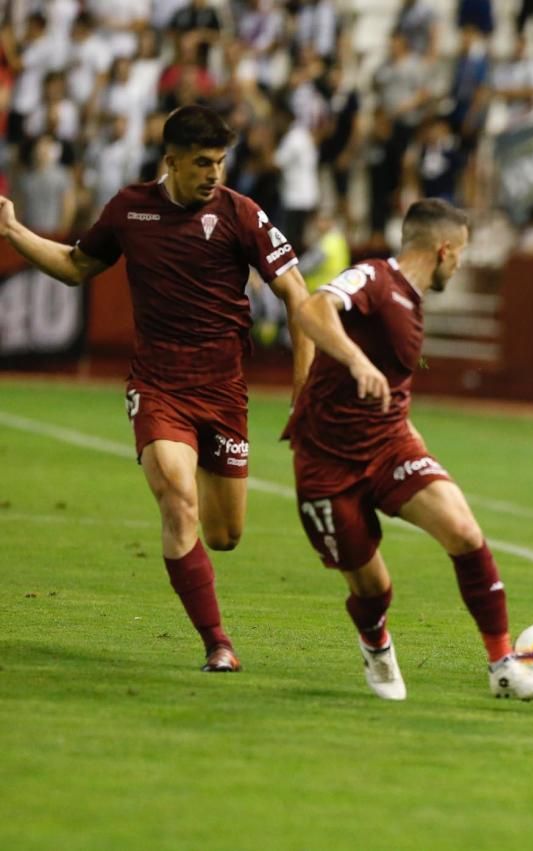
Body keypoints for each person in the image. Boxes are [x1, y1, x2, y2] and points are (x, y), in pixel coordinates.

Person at [0, 105, 314, 672]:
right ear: (170, 162)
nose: (213, 174)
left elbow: (297, 295)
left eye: (219, 162)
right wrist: (14, 231)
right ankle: (218, 642)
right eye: (201, 163)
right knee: (177, 496)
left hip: (223, 392)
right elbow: (76, 267)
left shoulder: (242, 214)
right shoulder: (129, 209)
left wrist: (305, 390)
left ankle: (201, 545)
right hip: (158, 386)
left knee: (224, 535)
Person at [284, 198, 533, 702]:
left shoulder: (411, 300)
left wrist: (411, 438)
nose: (461, 264)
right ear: (444, 249)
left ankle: (502, 665)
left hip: (389, 446)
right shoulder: (374, 278)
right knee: (372, 589)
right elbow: (312, 308)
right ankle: (377, 647)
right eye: (462, 254)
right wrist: (356, 361)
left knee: (465, 533)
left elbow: (395, 382)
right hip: (327, 460)